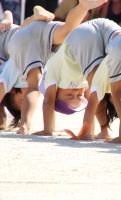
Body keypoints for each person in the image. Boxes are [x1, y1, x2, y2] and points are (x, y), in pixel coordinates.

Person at [8, 0, 108, 135]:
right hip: (44, 37)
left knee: (34, 85)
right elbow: (94, 98)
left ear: (56, 93)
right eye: (79, 95)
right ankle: (38, 16)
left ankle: (25, 125)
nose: (75, 91)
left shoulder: (53, 78)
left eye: (69, 95)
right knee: (68, 31)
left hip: (28, 39)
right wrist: (98, 130)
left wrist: (48, 130)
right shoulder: (81, 80)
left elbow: (49, 103)